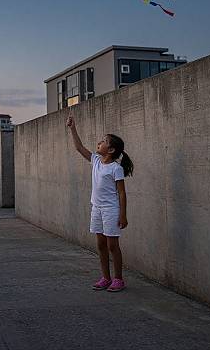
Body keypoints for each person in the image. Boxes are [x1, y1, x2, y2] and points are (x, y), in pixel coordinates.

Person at [66, 114, 134, 292]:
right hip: (96, 208)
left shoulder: (116, 168)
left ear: (110, 150)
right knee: (101, 244)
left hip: (111, 209)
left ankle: (118, 279)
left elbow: (121, 192)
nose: (99, 142)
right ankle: (105, 277)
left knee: (113, 245)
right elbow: (79, 147)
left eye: (103, 141)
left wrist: (123, 214)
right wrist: (73, 128)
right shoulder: (95, 161)